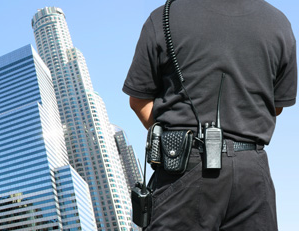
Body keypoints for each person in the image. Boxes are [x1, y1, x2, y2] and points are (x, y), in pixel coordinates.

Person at [123, 0, 296, 230]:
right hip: (252, 173)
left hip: (183, 167)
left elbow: (139, 100)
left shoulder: (164, 15)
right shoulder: (280, 22)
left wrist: (175, 141)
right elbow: (275, 106)